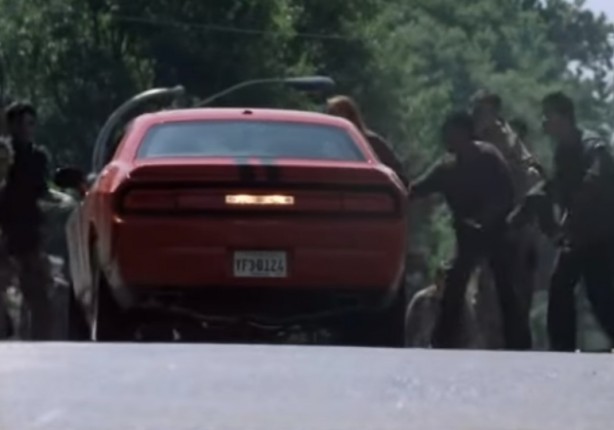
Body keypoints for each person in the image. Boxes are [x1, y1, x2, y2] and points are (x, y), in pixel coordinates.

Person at [409, 111, 531, 350]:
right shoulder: (447, 166)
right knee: (455, 284)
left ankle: (519, 343)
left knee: (505, 286)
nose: (447, 138)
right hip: (467, 235)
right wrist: (400, 189)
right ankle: (442, 340)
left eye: (451, 132)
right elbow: (419, 187)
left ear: (465, 133)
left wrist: (488, 218)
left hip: (495, 232)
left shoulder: (488, 157)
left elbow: (506, 193)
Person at [536, 91, 614, 351]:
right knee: (561, 286)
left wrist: (570, 218)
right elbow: (558, 186)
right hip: (578, 236)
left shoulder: (594, 147)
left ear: (564, 117)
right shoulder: (562, 152)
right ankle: (562, 349)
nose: (544, 121)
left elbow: (594, 181)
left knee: (600, 295)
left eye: (548, 115)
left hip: (600, 236)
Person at [0, 101, 54, 340]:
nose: (26, 130)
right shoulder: (3, 153)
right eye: (22, 124)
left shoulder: (37, 157)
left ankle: (38, 346)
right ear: (11, 125)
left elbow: (42, 191)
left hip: (28, 231)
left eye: (31, 124)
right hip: (5, 229)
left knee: (38, 297)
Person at [326, 95, 409, 186]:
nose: (331, 119)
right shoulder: (328, 147)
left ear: (349, 116)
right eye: (330, 114)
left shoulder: (371, 142)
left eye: (334, 114)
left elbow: (397, 175)